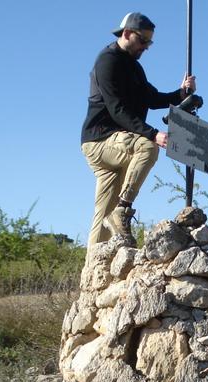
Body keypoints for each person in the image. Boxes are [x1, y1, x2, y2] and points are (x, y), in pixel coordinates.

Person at [80, 12, 196, 247]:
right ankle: (123, 210)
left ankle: (93, 277)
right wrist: (153, 134)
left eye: (149, 42)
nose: (146, 47)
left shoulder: (134, 68)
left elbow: (151, 98)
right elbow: (117, 110)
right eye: (142, 40)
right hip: (100, 140)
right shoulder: (108, 61)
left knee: (103, 217)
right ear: (126, 34)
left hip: (117, 142)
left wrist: (181, 93)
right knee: (146, 146)